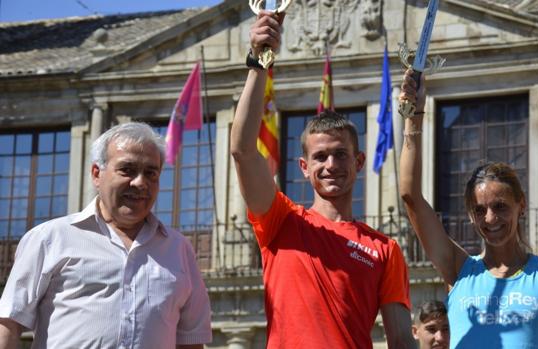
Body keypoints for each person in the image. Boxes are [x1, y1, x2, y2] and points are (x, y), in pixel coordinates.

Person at [230, 10, 412, 349]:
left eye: (341, 154)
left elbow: (401, 340)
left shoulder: (385, 250)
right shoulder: (279, 220)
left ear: (358, 161)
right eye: (320, 157)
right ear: (303, 166)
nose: (331, 165)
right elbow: (242, 150)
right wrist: (259, 62)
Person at [398, 70, 538, 348]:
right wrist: (414, 114)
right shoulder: (458, 269)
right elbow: (410, 194)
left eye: (500, 206)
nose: (490, 218)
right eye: (480, 210)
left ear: (522, 206)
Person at [0, 122, 212, 349]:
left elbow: (191, 342)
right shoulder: (49, 238)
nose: (140, 182)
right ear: (96, 174)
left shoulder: (179, 250)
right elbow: (8, 326)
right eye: (127, 170)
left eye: (151, 173)